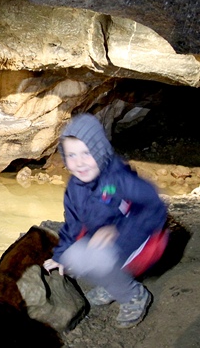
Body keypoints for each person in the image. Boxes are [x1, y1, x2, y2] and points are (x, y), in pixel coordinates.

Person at [43, 113, 168, 329]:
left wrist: (117, 231)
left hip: (142, 235)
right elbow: (72, 224)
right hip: (105, 237)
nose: (79, 162)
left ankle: (133, 295)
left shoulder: (118, 178)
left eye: (86, 153)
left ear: (100, 151)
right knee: (74, 258)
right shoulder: (75, 188)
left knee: (100, 259)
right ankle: (113, 283)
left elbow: (154, 207)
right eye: (71, 155)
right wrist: (60, 255)